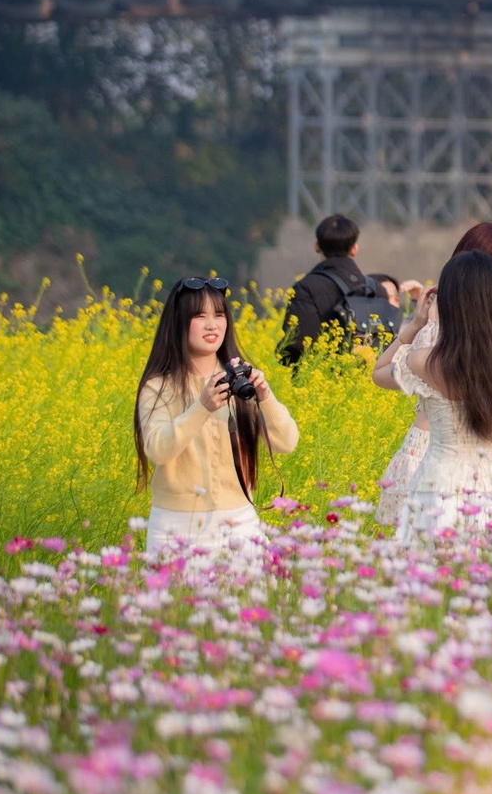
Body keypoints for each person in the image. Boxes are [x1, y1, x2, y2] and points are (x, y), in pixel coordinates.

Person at [390, 251, 492, 541]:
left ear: (448, 302)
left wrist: (416, 323)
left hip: (439, 491)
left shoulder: (423, 361)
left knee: (435, 580)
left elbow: (380, 371)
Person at [371, 222, 492, 526]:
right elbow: (382, 375)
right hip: (437, 452)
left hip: (459, 451)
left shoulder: (458, 315)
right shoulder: (441, 317)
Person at [134, 275, 299, 555]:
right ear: (178, 323)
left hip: (240, 524)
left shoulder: (239, 381)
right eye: (199, 315)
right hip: (176, 529)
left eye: (219, 315)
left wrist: (264, 397)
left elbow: (286, 443)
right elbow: (157, 450)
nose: (212, 324)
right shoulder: (158, 386)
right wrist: (202, 407)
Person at [277, 214, 399, 364]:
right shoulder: (376, 289)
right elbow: (386, 344)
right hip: (369, 381)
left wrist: (281, 354)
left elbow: (298, 344)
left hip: (318, 380)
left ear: (317, 246)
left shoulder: (305, 288)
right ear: (354, 249)